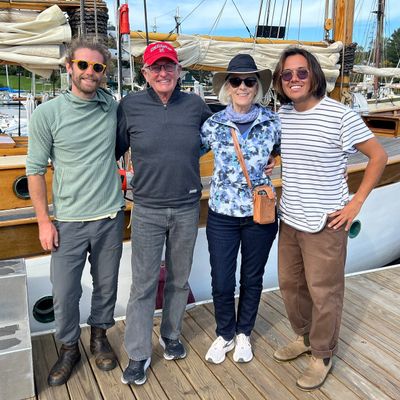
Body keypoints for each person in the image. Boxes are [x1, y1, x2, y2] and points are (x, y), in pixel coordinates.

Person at [272, 47, 388, 391]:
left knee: (324, 292)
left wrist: (356, 203)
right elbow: (287, 152)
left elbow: (378, 156)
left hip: (326, 222)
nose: (294, 79)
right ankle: (305, 336)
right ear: (280, 80)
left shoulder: (340, 115)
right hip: (290, 218)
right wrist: (273, 160)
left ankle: (322, 354)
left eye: (301, 72)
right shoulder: (283, 115)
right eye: (287, 74)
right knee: (290, 285)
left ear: (314, 76)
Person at [26, 38, 125, 386]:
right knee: (65, 292)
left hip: (109, 216)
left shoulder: (111, 107)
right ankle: (69, 347)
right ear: (69, 67)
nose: (89, 72)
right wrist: (44, 221)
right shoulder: (47, 114)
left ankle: (99, 337)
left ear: (103, 72)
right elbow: (34, 170)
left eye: (97, 67)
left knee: (106, 286)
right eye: (82, 65)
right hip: (68, 221)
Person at [116, 41, 212, 386]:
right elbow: (112, 149)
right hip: (147, 209)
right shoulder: (130, 106)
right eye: (155, 67)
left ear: (178, 70)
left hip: (187, 207)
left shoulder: (196, 106)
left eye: (168, 66)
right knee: (142, 285)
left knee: (178, 279)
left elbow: (221, 137)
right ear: (145, 73)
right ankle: (138, 353)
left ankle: (171, 335)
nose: (162, 72)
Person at [200, 54, 280, 364]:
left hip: (260, 214)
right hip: (222, 214)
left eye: (249, 81)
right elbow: (185, 153)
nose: (243, 86)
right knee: (222, 279)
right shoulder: (213, 125)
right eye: (236, 81)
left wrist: (274, 159)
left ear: (257, 87)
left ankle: (244, 332)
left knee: (252, 277)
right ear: (228, 87)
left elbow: (289, 151)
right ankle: (225, 333)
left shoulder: (272, 123)